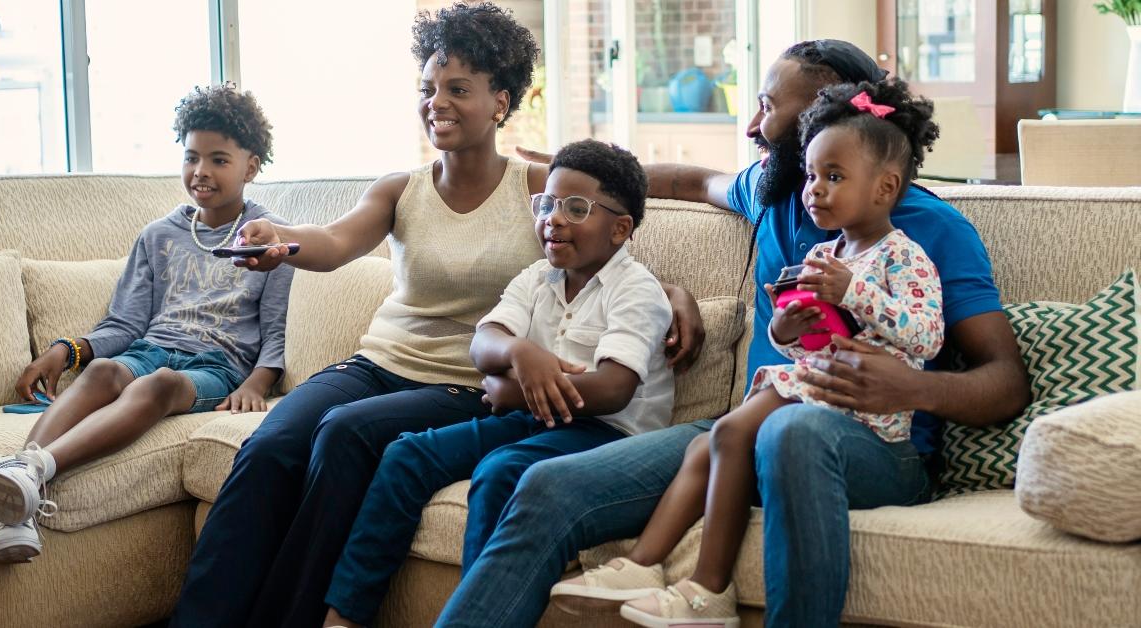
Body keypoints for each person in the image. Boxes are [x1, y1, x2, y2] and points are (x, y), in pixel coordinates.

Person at [437, 39, 1028, 628]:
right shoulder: (776, 195)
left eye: (768, 107)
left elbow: (1005, 383)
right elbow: (691, 182)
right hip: (744, 429)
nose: (752, 125)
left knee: (793, 431)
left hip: (872, 445)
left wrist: (911, 388)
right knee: (546, 484)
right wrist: (586, 197)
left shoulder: (932, 231)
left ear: (826, 113)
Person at [169, 5, 703, 627]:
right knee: (271, 445)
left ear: (500, 101)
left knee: (343, 434)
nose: (436, 102)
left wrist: (675, 290)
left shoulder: (536, 188)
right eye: (426, 89)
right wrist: (278, 238)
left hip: (465, 382)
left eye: (457, 89)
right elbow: (336, 242)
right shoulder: (402, 188)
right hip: (378, 364)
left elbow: (610, 230)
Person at [552, 79, 946, 628]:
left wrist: (851, 291)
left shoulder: (906, 257)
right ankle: (648, 568)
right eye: (811, 176)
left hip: (869, 423)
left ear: (885, 188)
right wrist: (788, 323)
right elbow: (811, 340)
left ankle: (707, 588)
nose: (814, 190)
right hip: (812, 394)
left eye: (833, 177)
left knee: (732, 433)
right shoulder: (825, 254)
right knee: (719, 438)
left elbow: (926, 335)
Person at [319, 139, 674, 628]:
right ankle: (345, 618)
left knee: (501, 471)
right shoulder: (537, 277)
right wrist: (520, 353)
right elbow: (484, 343)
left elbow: (613, 388)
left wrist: (517, 389)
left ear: (620, 228)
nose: (554, 218)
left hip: (605, 433)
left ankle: (477, 615)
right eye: (546, 204)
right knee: (406, 455)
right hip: (535, 418)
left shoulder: (637, 291)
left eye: (576, 208)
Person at [0, 84, 291, 564]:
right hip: (151, 347)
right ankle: (21, 491)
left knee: (157, 383)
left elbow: (275, 330)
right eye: (191, 157)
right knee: (103, 372)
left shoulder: (269, 238)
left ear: (251, 165)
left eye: (219, 160)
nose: (201, 172)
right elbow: (126, 321)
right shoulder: (158, 234)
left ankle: (32, 469)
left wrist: (258, 382)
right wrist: (65, 351)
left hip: (214, 365)